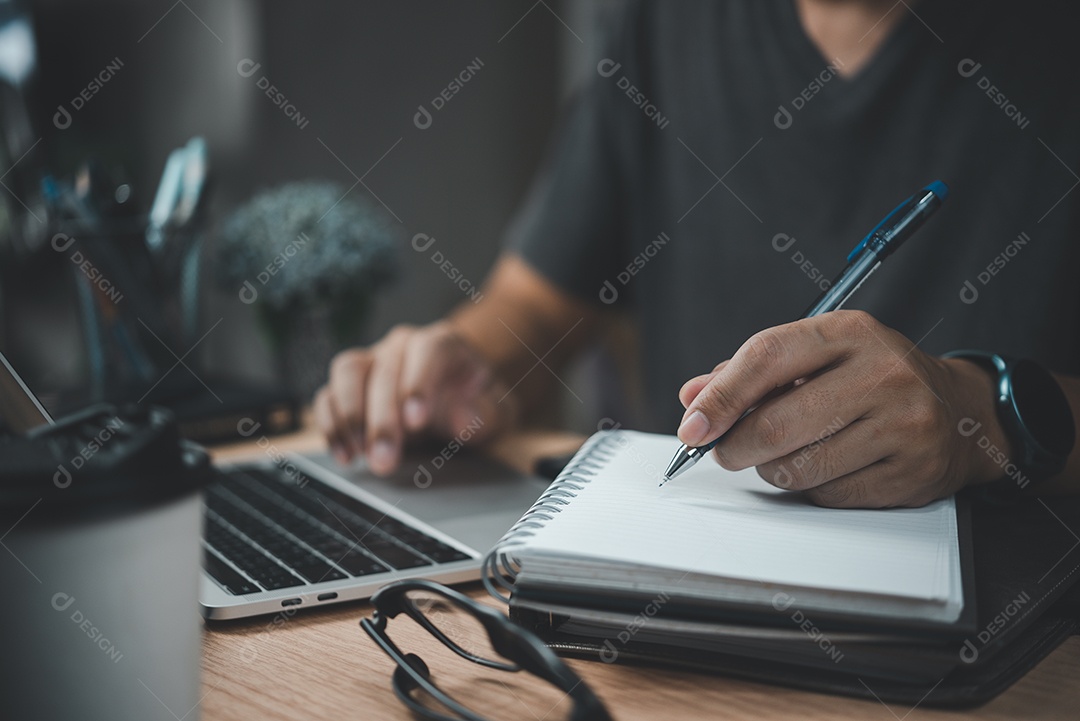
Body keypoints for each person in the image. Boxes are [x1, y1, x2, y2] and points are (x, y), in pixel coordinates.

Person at [315, 0, 1080, 508]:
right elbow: (538, 304)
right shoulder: (666, 19)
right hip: (684, 590)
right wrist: (462, 367)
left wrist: (985, 415)